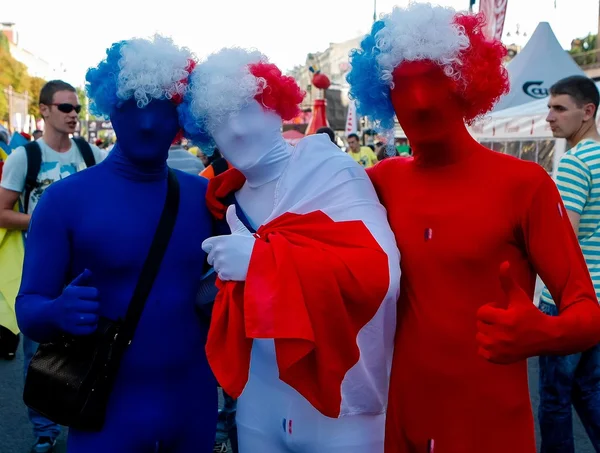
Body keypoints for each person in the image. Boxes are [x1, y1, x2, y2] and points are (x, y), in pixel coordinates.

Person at [346, 4, 600, 453]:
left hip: (490, 431)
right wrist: (238, 180)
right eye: (403, 85)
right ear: (384, 95)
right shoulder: (381, 180)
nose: (421, 101)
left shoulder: (523, 185)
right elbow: (298, 200)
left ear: (467, 83)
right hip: (403, 423)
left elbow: (586, 309)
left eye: (436, 80)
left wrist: (546, 332)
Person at [179, 47, 400, 453]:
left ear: (275, 106)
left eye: (247, 109)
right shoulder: (219, 198)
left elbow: (381, 275)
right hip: (257, 400)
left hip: (337, 408)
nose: (236, 131)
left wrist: (262, 263)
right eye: (217, 119)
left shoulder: (327, 171)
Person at [15, 34, 217, 453]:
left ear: (180, 116)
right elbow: (28, 309)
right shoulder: (64, 201)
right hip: (107, 412)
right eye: (131, 106)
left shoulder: (206, 199)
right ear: (110, 109)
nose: (147, 123)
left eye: (161, 109)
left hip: (194, 407)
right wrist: (56, 311)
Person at [0, 79, 106, 453]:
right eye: (65, 108)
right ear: (44, 110)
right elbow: (2, 212)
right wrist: (48, 223)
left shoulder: (91, 153)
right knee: (39, 353)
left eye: (76, 108)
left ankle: (87, 418)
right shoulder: (24, 157)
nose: (73, 114)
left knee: (93, 349)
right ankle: (44, 430)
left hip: (86, 271)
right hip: (42, 271)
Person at [537, 75, 600, 452]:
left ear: (587, 112)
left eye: (559, 108)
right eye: (549, 107)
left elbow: (565, 237)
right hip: (598, 295)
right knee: (589, 388)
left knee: (555, 398)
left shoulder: (576, 163)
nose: (549, 117)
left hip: (569, 296)